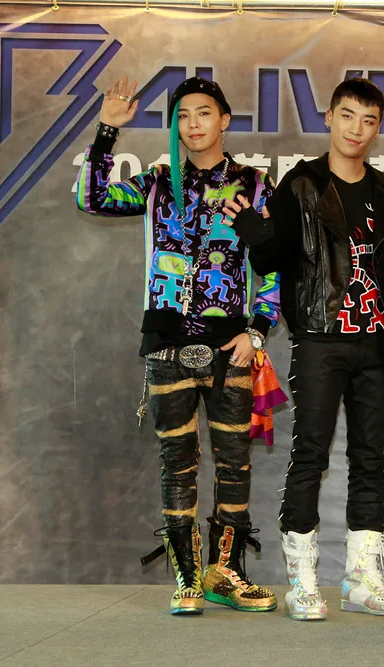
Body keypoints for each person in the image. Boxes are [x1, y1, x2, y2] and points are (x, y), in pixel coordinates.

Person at [75, 75, 280, 614]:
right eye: (183, 116)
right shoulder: (157, 183)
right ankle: (187, 578)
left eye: (203, 113)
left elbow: (275, 266)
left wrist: (257, 330)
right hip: (166, 345)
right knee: (177, 461)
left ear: (224, 120)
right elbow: (91, 197)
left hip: (230, 348)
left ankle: (226, 573)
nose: (193, 124)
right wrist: (106, 131)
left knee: (235, 462)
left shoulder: (255, 185)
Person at [224, 78, 384, 621]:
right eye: (347, 116)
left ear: (378, 128)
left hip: (377, 345)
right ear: (329, 117)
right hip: (321, 338)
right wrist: (255, 234)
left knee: (370, 459)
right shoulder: (301, 184)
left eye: (368, 120)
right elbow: (271, 261)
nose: (356, 129)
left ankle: (362, 580)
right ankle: (302, 583)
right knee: (311, 455)